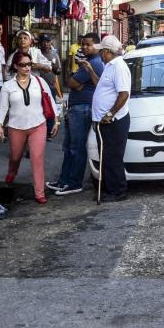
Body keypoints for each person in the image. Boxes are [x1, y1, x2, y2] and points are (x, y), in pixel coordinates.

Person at [0, 51, 59, 204]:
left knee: (37, 158)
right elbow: (2, 108)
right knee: (15, 156)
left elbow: (50, 100)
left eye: (29, 64)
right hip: (16, 127)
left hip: (38, 125)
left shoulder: (39, 81)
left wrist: (56, 121)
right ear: (16, 66)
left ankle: (39, 192)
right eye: (23, 65)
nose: (27, 67)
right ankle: (12, 172)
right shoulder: (8, 86)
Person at [47, 32, 104, 196]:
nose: (84, 47)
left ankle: (74, 183)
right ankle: (64, 180)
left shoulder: (93, 63)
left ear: (97, 46)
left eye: (88, 44)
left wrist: (76, 82)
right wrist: (76, 82)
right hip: (77, 108)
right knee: (69, 147)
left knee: (76, 148)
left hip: (82, 108)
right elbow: (71, 82)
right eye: (83, 44)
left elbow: (71, 82)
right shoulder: (87, 62)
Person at [91, 35, 131, 202]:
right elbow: (103, 88)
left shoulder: (119, 67)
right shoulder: (109, 66)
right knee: (106, 156)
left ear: (107, 51)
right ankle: (109, 190)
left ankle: (118, 191)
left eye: (101, 51)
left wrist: (110, 114)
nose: (99, 53)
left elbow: (124, 94)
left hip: (113, 121)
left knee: (113, 157)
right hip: (104, 121)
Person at [36, 33, 62, 139]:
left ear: (51, 42)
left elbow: (59, 70)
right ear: (40, 43)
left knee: (50, 108)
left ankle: (49, 132)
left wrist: (56, 69)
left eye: (48, 42)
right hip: (37, 86)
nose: (46, 44)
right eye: (43, 42)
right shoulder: (36, 53)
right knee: (38, 109)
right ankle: (39, 131)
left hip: (50, 86)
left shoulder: (54, 55)